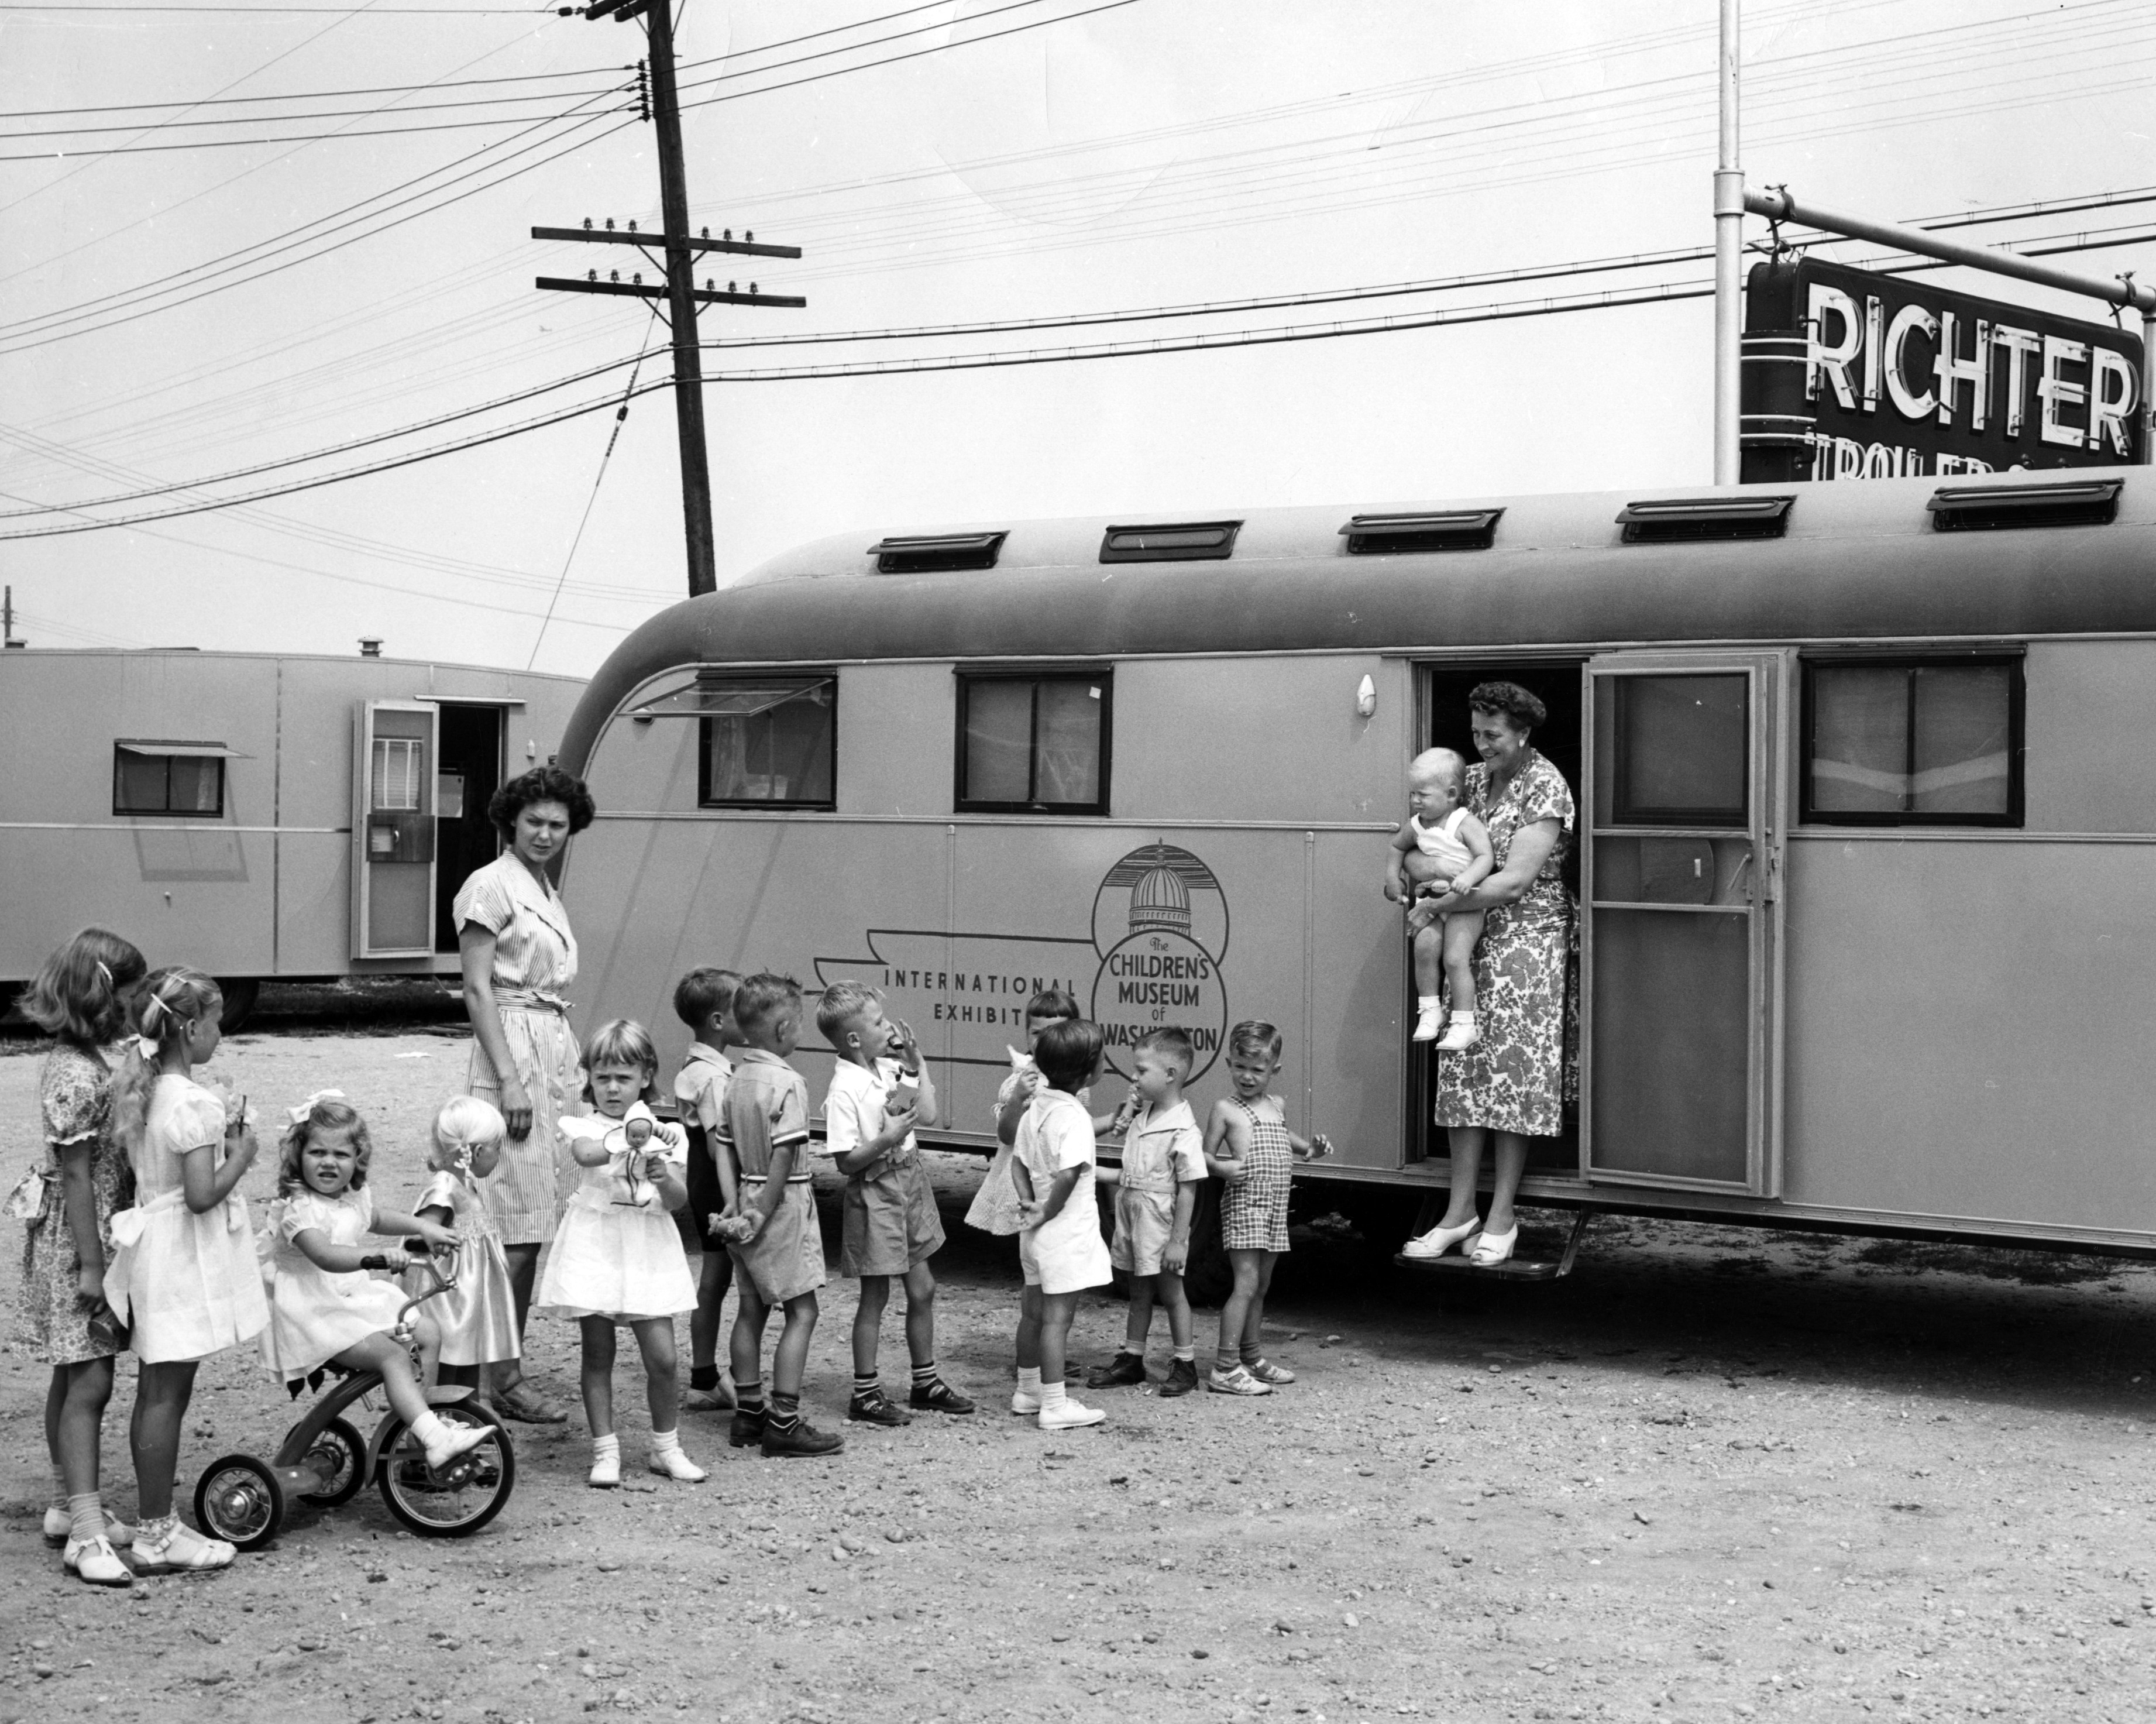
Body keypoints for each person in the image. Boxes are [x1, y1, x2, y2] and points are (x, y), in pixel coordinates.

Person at [1404, 681, 1577, 1268]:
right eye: (1476, 733)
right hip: (1471, 935)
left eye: (1493, 734)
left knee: (1510, 1075)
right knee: (1462, 1070)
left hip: (1528, 943)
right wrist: (1427, 878)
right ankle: (1458, 1213)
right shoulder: (1471, 782)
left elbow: (1514, 882)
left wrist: (1432, 903)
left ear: (1522, 732)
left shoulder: (1545, 785)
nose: (1483, 744)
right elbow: (1428, 847)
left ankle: (1502, 1214)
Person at [102, 968, 269, 1572]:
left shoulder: (149, 1091)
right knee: (168, 1395)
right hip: (178, 1257)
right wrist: (242, 1153)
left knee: (155, 1392)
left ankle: (154, 1520)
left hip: (154, 1248)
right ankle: (157, 1532)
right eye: (219, 1020)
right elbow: (201, 1195)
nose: (222, 1032)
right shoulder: (195, 1103)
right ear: (192, 1027)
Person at [454, 763, 596, 1425]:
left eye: (557, 825)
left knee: (535, 1223)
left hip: (548, 1045)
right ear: (510, 820)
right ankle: (489, 1380)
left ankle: (502, 1369)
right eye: (534, 822)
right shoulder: (490, 886)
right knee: (509, 1223)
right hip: (510, 1047)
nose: (545, 833)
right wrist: (509, 1078)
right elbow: (478, 989)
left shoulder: (543, 885)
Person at [11, 928, 146, 1586]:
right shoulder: (72, 1072)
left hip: (84, 1238)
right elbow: (74, 1176)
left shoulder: (87, 1058)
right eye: (129, 992)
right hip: (77, 1243)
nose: (135, 1003)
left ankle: (69, 1505)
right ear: (103, 992)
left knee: (72, 1375)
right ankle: (88, 1531)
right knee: (91, 1379)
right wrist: (93, 1266)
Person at [261, 1095, 492, 1473]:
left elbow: (378, 1217)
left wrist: (422, 1225)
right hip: (313, 1311)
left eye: (341, 1154)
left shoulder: (351, 1197)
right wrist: (381, 1256)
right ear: (298, 1155)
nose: (329, 1163)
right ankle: (434, 1439)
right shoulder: (298, 1209)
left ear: (358, 1159)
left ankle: (423, 1424)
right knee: (393, 1356)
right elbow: (325, 1256)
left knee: (429, 1331)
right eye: (317, 1152)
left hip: (348, 1297)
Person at [538, 1019, 706, 1488]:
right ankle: (605, 1451)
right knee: (597, 1352)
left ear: (646, 1075)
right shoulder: (582, 1125)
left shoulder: (670, 1133)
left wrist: (661, 1169)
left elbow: (676, 1200)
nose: (612, 1087)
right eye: (602, 1076)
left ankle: (665, 1448)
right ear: (588, 1078)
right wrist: (632, 1138)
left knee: (664, 1358)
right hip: (595, 1243)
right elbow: (588, 1155)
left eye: (624, 1077)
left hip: (647, 1245)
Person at [814, 981, 974, 1427]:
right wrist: (885, 1139)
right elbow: (846, 1162)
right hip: (876, 1189)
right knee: (876, 1296)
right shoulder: (844, 1090)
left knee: (923, 1288)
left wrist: (916, 1065)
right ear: (853, 1039)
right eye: (879, 1023)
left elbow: (924, 1116)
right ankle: (864, 1392)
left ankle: (925, 1383)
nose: (889, 1028)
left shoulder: (887, 1069)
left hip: (910, 1181)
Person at [715, 974, 843, 1459]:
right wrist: (762, 1214)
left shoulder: (736, 1077)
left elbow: (724, 1148)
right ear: (785, 1027)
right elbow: (787, 1156)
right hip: (780, 1203)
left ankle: (748, 1412)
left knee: (750, 1309)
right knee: (802, 1311)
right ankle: (784, 1423)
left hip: (745, 1193)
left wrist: (735, 1205)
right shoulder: (788, 1082)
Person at [1202, 1021, 1332, 1397]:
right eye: (1240, 1067)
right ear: (1228, 1062)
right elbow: (1204, 1155)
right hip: (1246, 1204)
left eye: (1257, 1070)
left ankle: (1252, 1358)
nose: (1247, 1076)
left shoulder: (1277, 1105)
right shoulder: (1225, 1109)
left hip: (1276, 1206)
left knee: (1261, 1285)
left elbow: (1282, 1135)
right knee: (1245, 1283)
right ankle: (1225, 1368)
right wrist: (1223, 1168)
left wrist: (1310, 1150)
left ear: (1274, 1070)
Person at [1088, 1026, 1208, 1399]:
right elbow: (1128, 1174)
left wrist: (1178, 1241)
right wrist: (1084, 1167)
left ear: (1170, 1075)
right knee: (1138, 1291)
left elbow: (1188, 1187)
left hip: (1159, 1219)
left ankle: (1185, 1364)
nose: (1134, 1077)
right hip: (1132, 1214)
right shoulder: (1144, 1117)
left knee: (1172, 1293)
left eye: (1142, 1071)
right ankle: (1132, 1359)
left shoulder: (1184, 1129)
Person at [1009, 1018, 1115, 1432]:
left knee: (1032, 1314)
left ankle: (1027, 1390)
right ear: (1089, 1071)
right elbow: (1070, 1175)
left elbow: (1018, 1162)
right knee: (1058, 1320)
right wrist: (1048, 1211)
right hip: (1063, 1232)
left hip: (1033, 1232)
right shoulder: (1073, 1117)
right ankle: (1055, 1404)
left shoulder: (1038, 1105)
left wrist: (1028, 1204)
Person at [408, 1097, 521, 1401]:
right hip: (449, 1298)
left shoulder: (464, 1184)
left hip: (468, 1296)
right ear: (480, 1151)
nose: (500, 1155)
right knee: (448, 1360)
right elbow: (422, 1233)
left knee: (469, 1359)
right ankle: (437, 1419)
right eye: (499, 1148)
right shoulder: (444, 1187)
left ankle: (466, 1417)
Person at [1385, 747, 1495, 1049]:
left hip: (1464, 902)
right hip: (1432, 898)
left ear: (1450, 794)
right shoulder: (1418, 824)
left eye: (1423, 795)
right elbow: (1397, 848)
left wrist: (1468, 878)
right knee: (1424, 948)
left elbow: (1486, 856)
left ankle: (1463, 1023)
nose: (1415, 801)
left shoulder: (1463, 822)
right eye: (1413, 794)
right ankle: (1430, 1009)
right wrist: (1392, 878)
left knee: (1455, 959)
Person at [670, 966, 742, 1415]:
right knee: (729, 1280)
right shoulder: (713, 1077)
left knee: (714, 1279)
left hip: (701, 1178)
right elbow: (721, 1145)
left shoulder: (696, 1065)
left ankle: (704, 1376)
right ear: (718, 1021)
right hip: (717, 1181)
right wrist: (734, 1195)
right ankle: (729, 1376)